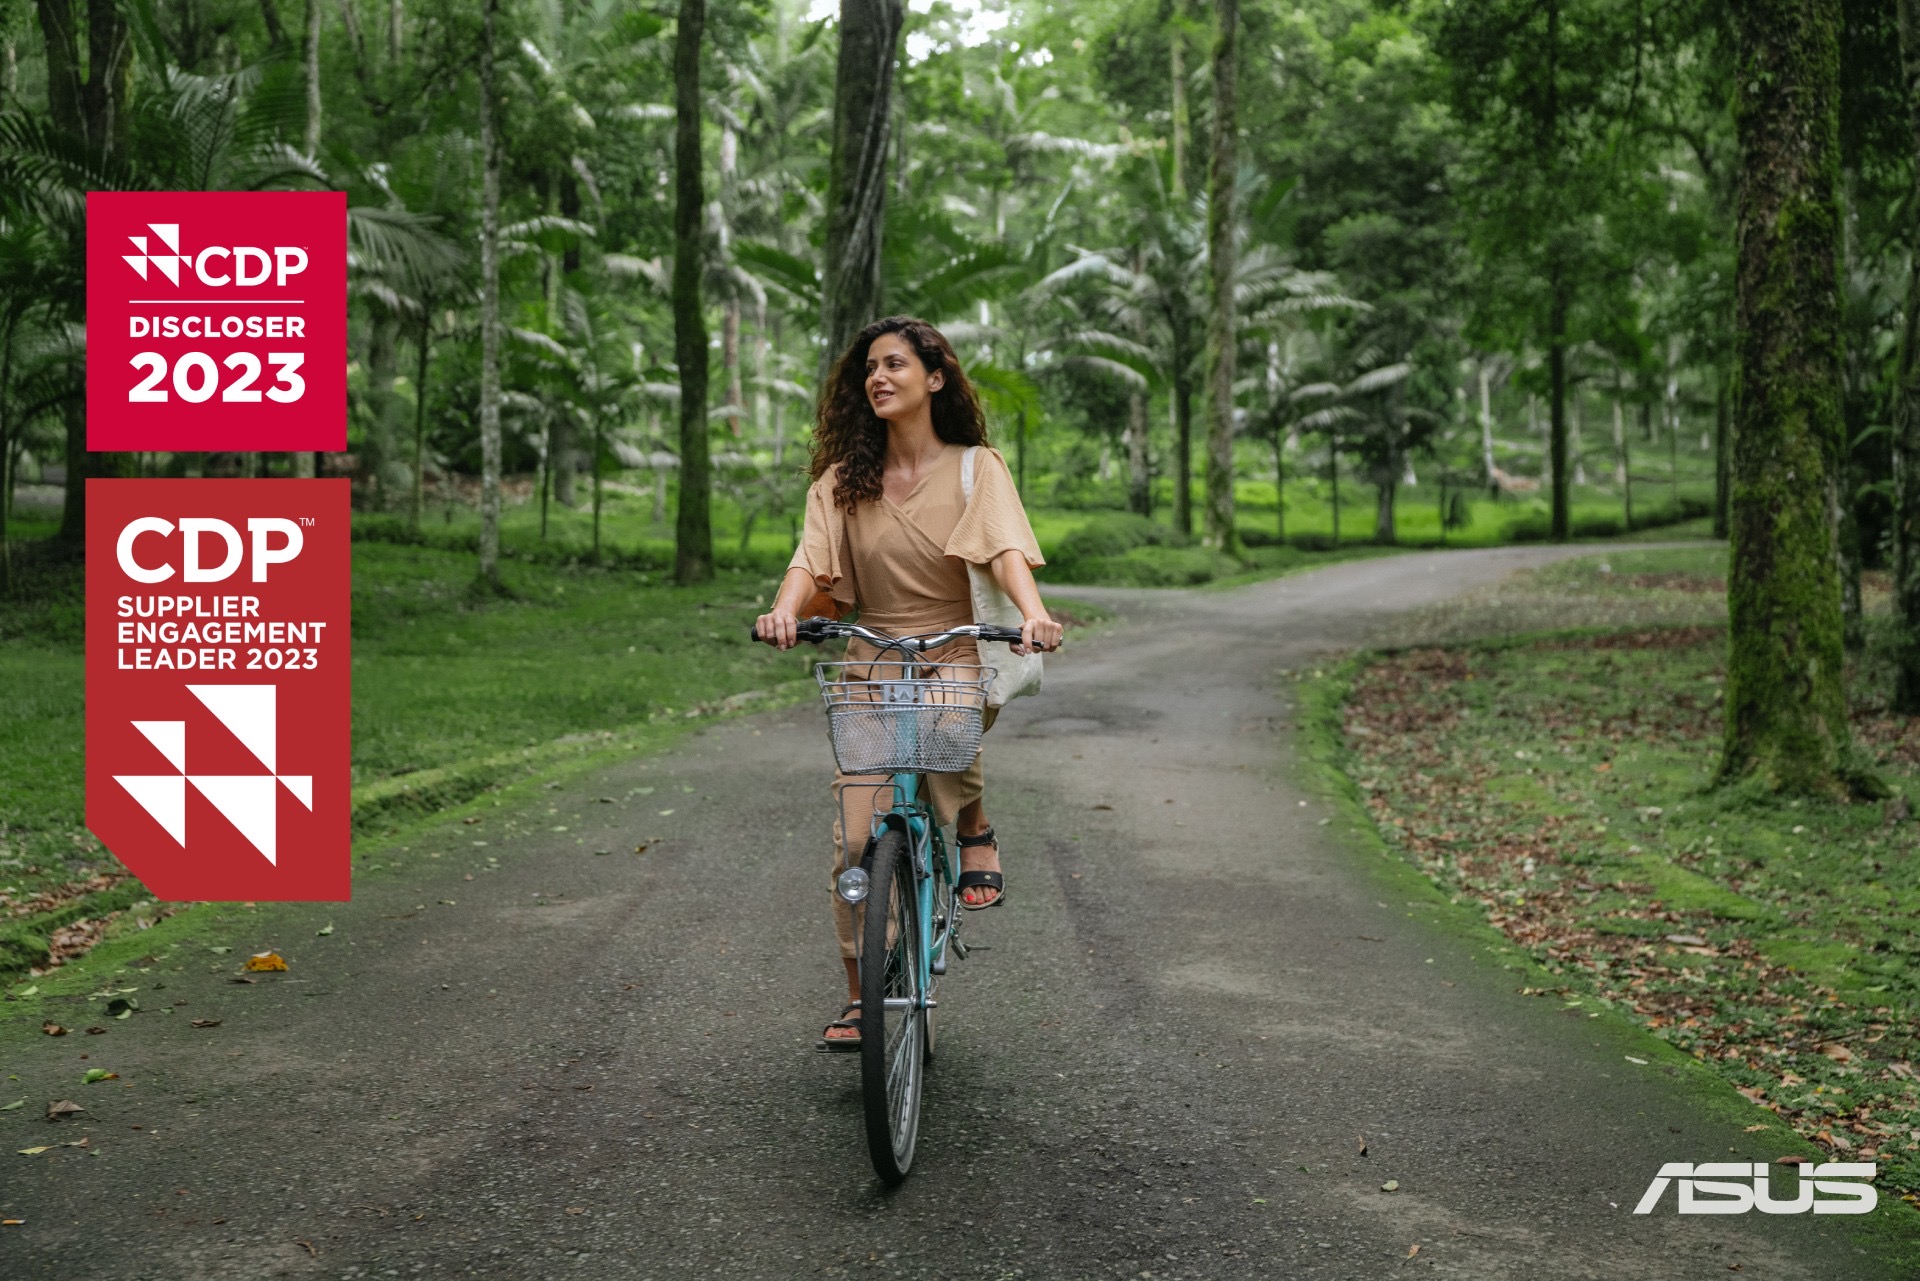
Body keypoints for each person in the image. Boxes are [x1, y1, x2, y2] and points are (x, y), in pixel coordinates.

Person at [755, 316, 1063, 1050]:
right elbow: (810, 560)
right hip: (870, 652)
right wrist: (783, 610)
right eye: (868, 367)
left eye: (895, 363)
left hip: (956, 644)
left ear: (935, 377)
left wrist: (1033, 613)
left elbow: (1006, 548)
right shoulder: (841, 481)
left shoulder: (974, 467)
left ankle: (973, 821)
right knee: (854, 842)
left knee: (942, 734)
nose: (877, 377)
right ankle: (862, 997)